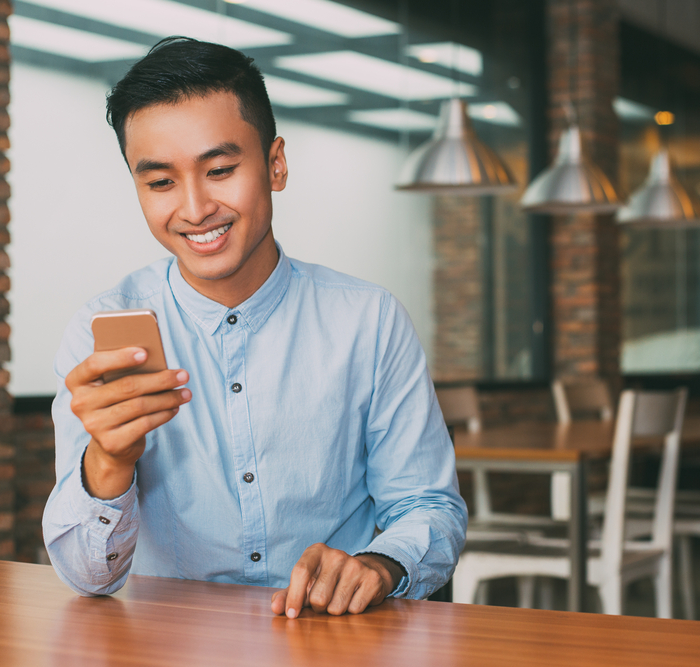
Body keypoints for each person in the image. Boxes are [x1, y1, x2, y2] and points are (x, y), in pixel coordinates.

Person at [42, 36, 467, 618]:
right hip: (171, 650)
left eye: (219, 169)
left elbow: (428, 506)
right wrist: (110, 464)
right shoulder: (99, 330)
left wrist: (379, 564)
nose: (193, 208)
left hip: (335, 644)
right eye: (160, 182)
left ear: (275, 164)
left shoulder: (368, 321)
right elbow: (86, 579)